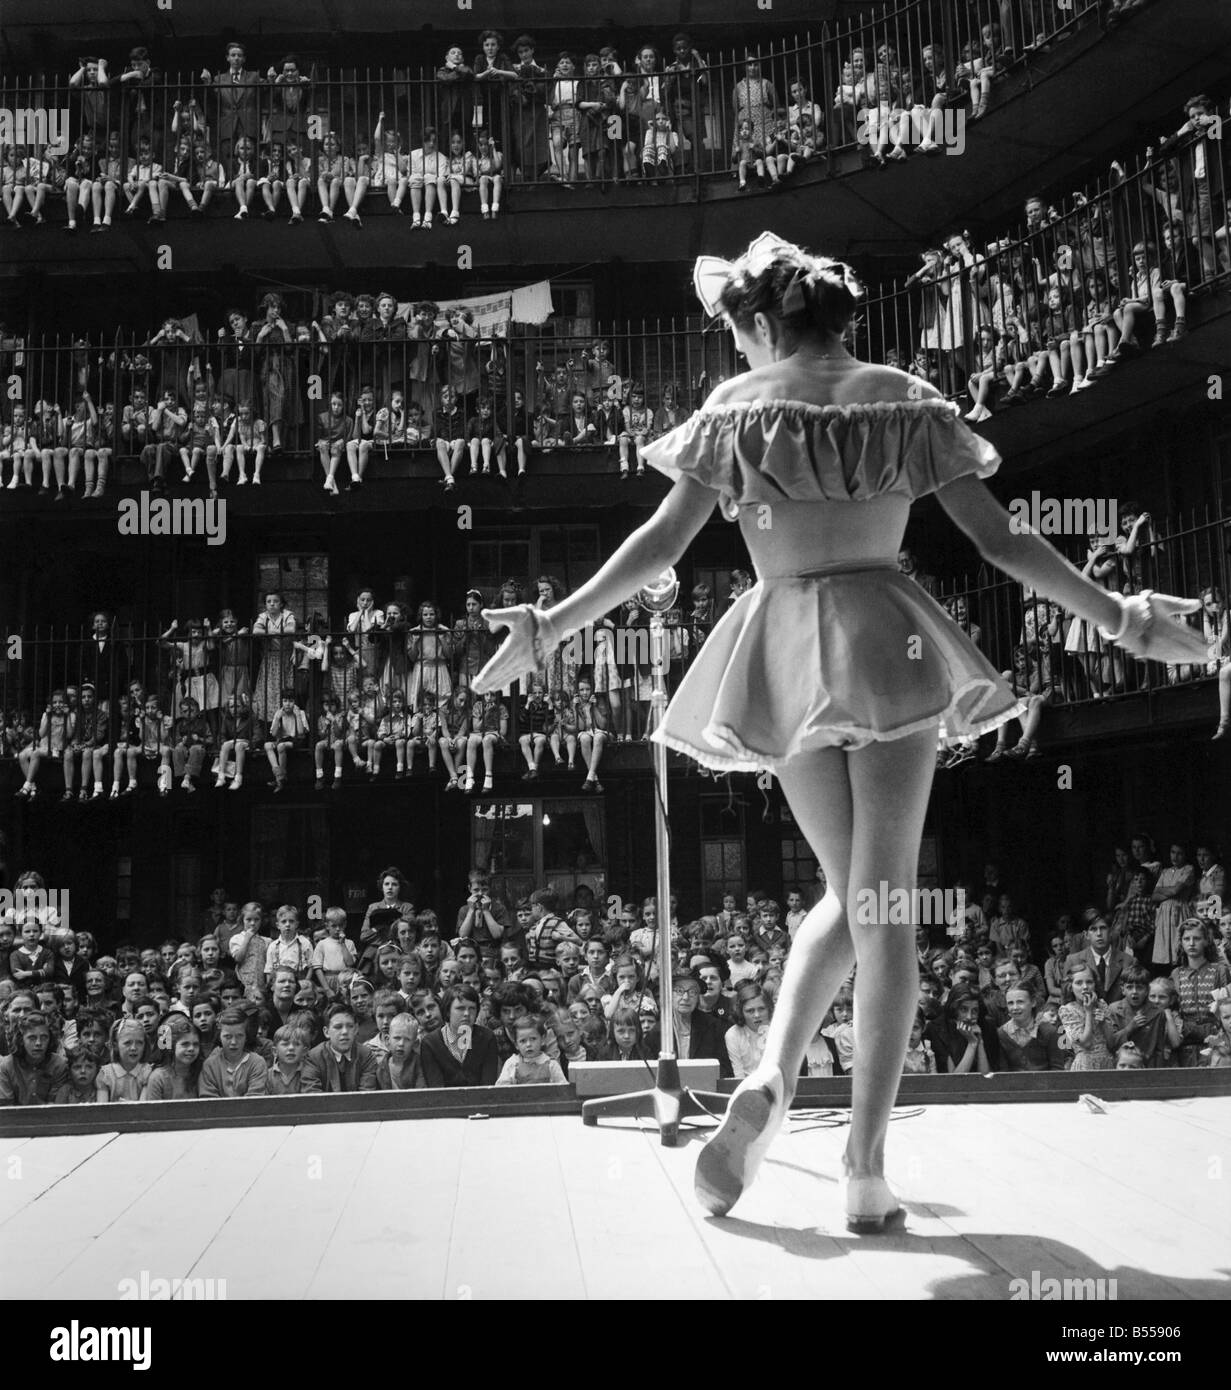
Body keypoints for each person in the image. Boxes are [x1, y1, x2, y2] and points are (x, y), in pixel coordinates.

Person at [470, 231, 1206, 1231]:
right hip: (884, 637)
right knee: (884, 901)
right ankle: (863, 1166)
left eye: (736, 333)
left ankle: (771, 1075)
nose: (735, 353)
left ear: (766, 323)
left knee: (850, 890)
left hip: (778, 643)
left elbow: (658, 547)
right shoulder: (899, 396)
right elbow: (1001, 538)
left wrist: (551, 624)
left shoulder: (739, 410)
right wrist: (1118, 617)